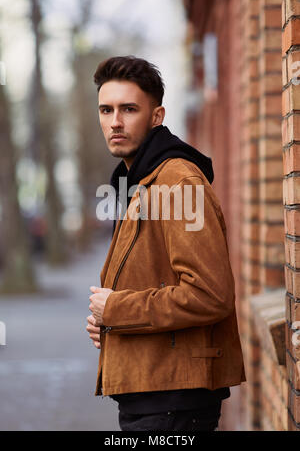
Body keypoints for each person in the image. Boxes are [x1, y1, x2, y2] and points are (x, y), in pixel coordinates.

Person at [86, 56, 246, 432]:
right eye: (106, 110)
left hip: (174, 402)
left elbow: (211, 294)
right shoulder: (139, 182)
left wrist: (118, 310)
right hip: (153, 390)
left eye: (129, 109)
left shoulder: (177, 182)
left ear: (157, 116)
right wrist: (109, 323)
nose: (115, 122)